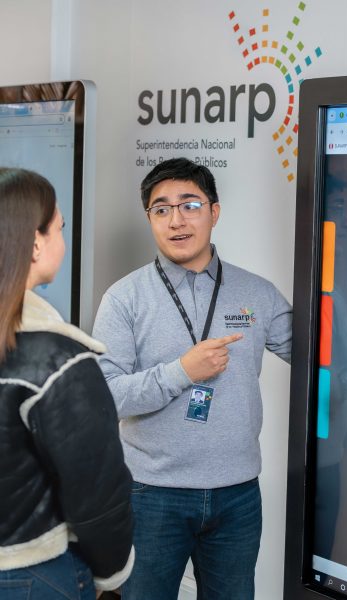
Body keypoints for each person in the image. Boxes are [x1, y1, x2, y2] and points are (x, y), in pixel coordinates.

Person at [92, 157, 292, 600]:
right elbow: (104, 395)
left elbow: (319, 353)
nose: (176, 221)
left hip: (238, 494)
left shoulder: (256, 293)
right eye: (161, 209)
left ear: (214, 212)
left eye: (190, 205)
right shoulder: (124, 298)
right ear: (149, 218)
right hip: (152, 494)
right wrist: (180, 372)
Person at [0, 167, 135, 599]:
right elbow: (97, 493)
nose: (63, 239)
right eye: (60, 227)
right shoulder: (59, 361)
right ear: (35, 244)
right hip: (30, 574)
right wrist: (111, 576)